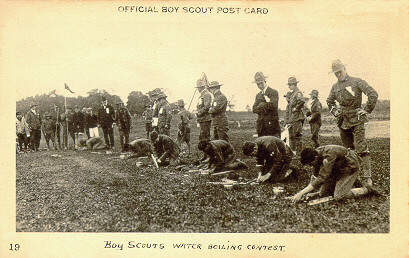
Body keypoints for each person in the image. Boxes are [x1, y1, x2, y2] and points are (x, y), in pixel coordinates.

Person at [326, 59, 378, 187]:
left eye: (339, 71)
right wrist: (335, 111)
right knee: (348, 150)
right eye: (335, 73)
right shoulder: (335, 87)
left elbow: (373, 94)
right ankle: (354, 176)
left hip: (357, 119)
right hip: (343, 121)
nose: (338, 74)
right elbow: (329, 101)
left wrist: (366, 110)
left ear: (344, 69)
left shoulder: (357, 81)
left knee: (361, 148)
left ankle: (367, 178)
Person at [290, 145, 380, 203]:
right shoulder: (316, 155)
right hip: (337, 168)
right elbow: (315, 176)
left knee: (339, 196)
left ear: (315, 158)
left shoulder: (329, 155)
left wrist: (301, 193)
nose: (310, 166)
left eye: (310, 163)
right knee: (324, 193)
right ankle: (349, 185)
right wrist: (310, 193)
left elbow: (321, 178)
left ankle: (366, 189)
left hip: (349, 167)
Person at [252, 72, 281, 138]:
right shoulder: (258, 95)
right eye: (258, 84)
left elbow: (273, 106)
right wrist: (265, 105)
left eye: (261, 83)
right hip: (261, 127)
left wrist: (262, 105)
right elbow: (254, 109)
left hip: (272, 126)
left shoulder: (273, 92)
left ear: (265, 81)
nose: (260, 86)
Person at [286, 77, 305, 157]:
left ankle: (299, 153)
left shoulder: (298, 93)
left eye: (290, 85)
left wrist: (296, 108)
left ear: (294, 85)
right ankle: (294, 152)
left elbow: (302, 101)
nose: (289, 87)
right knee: (292, 136)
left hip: (297, 118)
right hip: (293, 118)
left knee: (297, 136)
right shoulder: (293, 94)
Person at [195, 79, 213, 160]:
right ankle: (205, 155)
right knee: (202, 138)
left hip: (205, 119)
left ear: (201, 87)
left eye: (198, 87)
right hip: (202, 119)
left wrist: (199, 112)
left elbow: (207, 106)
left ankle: (208, 156)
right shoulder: (203, 94)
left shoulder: (206, 94)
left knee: (205, 138)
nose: (198, 89)